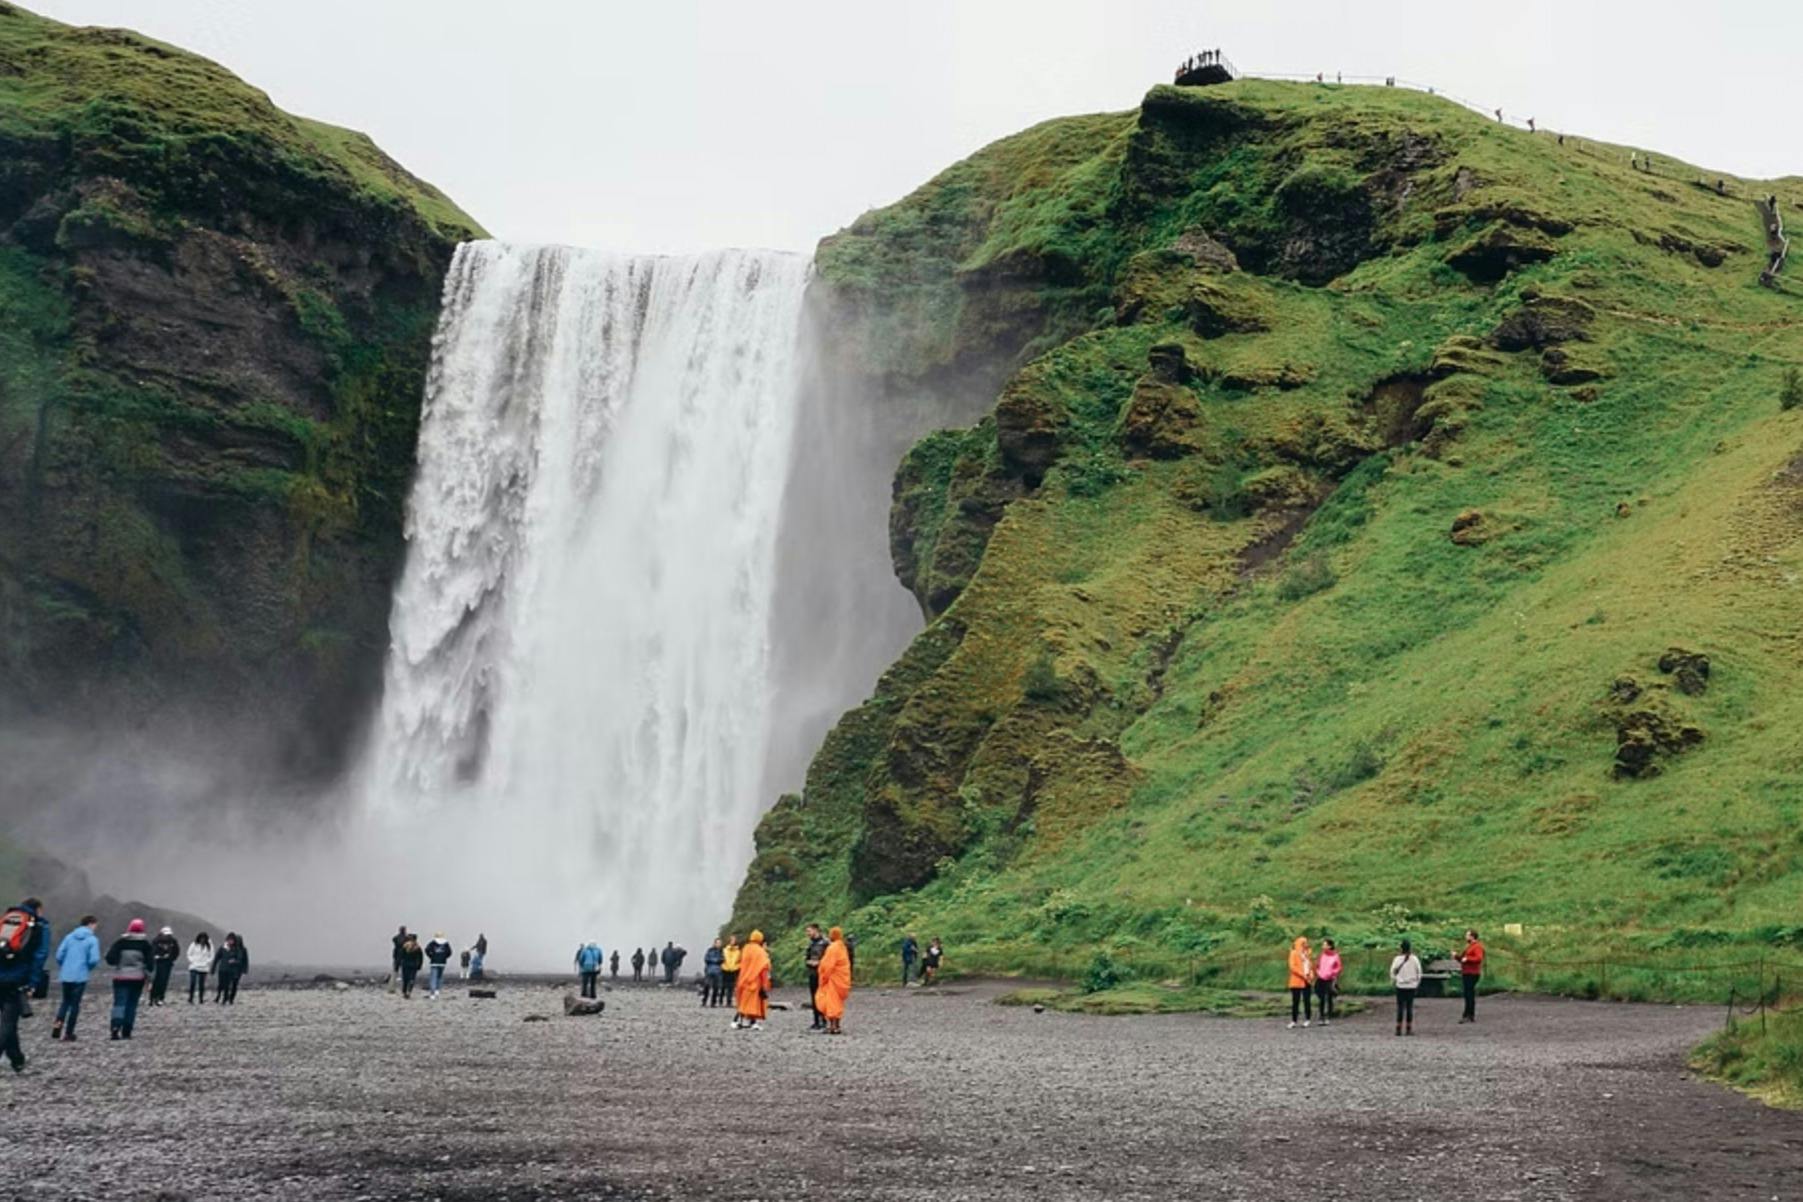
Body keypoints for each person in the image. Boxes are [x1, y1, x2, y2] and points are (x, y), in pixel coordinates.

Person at [0, 898, 49, 1071]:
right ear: (38, 909)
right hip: (17, 978)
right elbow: (39, 956)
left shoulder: (7, 919)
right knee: (8, 1022)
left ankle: (17, 1059)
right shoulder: (39, 925)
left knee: (8, 1021)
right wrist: (33, 982)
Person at [104, 918, 155, 1040]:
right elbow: (151, 965)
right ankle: (127, 1031)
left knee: (119, 1003)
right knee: (132, 1004)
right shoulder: (145, 944)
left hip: (120, 977)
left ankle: (115, 1026)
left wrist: (119, 963)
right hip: (137, 978)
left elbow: (110, 958)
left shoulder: (121, 942)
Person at [52, 915, 100, 1041]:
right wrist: (87, 967)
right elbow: (94, 959)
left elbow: (59, 955)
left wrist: (65, 966)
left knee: (65, 1002)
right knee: (75, 1005)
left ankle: (57, 1026)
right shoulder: (92, 939)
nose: (95, 928)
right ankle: (69, 1033)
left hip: (66, 974)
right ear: (90, 924)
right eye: (95, 925)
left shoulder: (69, 937)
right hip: (80, 976)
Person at [814, 926, 853, 1035]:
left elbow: (828, 965)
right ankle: (837, 1025)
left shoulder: (833, 948)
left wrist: (823, 977)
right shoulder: (842, 947)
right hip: (842, 979)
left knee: (831, 1002)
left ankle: (832, 1026)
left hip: (833, 979)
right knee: (837, 1002)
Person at [732, 930, 771, 1031]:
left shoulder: (745, 948)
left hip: (743, 978)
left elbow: (738, 962)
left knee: (744, 1002)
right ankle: (752, 1022)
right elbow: (764, 967)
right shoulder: (760, 951)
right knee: (754, 1003)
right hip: (755, 980)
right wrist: (764, 984)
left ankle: (739, 1021)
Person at [1390, 938, 1422, 1036]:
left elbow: (1392, 972)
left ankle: (1398, 1028)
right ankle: (1409, 1028)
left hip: (1400, 985)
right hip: (1411, 985)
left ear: (1401, 948)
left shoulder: (1397, 959)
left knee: (1400, 1007)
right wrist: (1416, 983)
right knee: (1409, 1007)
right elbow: (1419, 972)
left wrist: (1395, 981)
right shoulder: (1414, 959)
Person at [1456, 929, 1485, 1023]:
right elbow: (1462, 959)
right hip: (1466, 972)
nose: (1466, 937)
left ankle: (1469, 1014)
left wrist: (1467, 958)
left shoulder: (1477, 946)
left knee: (1469, 994)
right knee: (1468, 994)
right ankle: (1468, 1014)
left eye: (1467, 935)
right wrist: (1457, 956)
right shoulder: (1469, 947)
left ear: (1472, 936)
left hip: (1472, 973)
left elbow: (1479, 958)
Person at [1287, 936, 1315, 1029]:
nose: (1305, 945)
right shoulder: (1294, 953)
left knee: (1307, 1000)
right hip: (1297, 981)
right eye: (1303, 943)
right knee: (1296, 1001)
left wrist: (1311, 975)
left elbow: (1310, 966)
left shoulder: (1307, 954)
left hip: (1307, 981)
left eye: (1306, 943)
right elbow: (1292, 967)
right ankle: (1294, 1020)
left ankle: (1307, 1019)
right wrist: (1303, 974)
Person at [213, 933, 248, 1005]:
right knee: (226, 984)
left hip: (238, 970)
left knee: (234, 984)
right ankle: (223, 996)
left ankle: (230, 998)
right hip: (229, 969)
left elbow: (245, 960)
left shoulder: (242, 949)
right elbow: (218, 957)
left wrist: (244, 969)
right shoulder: (227, 948)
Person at [149, 926, 180, 1006]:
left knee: (164, 981)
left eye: (168, 935)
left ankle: (160, 998)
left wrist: (171, 958)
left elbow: (176, 951)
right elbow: (152, 951)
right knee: (156, 980)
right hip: (157, 962)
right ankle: (152, 997)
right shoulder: (156, 941)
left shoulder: (173, 941)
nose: (167, 936)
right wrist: (156, 956)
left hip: (167, 963)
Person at [804, 924, 827, 1029]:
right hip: (812, 973)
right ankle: (816, 1020)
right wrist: (809, 962)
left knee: (822, 997)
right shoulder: (810, 944)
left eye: (809, 931)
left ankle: (824, 1019)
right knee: (813, 997)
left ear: (815, 930)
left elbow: (829, 958)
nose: (808, 934)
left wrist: (820, 963)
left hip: (822, 974)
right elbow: (806, 958)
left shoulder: (825, 943)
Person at [1314, 938, 1342, 1026]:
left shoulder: (1335, 956)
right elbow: (1317, 965)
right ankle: (1321, 1016)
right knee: (1321, 997)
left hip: (1329, 978)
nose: (1323, 946)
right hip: (1321, 978)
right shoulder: (1322, 955)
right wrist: (1318, 972)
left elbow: (1338, 967)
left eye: (1325, 945)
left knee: (1329, 998)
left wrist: (1332, 974)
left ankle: (1328, 1016)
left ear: (1329, 946)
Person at [186, 931, 213, 1004]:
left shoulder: (209, 946)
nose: (202, 940)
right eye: (201, 938)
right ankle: (191, 998)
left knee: (201, 984)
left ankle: (201, 998)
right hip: (194, 966)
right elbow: (189, 954)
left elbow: (211, 955)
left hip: (203, 967)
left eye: (204, 938)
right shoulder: (193, 945)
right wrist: (192, 961)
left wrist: (206, 962)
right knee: (193, 982)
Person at [424, 933, 453, 998]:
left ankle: (432, 993)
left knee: (433, 977)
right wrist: (444, 957)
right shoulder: (446, 943)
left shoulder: (432, 943)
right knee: (440, 977)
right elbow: (449, 952)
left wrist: (431, 956)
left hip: (434, 962)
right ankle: (437, 990)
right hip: (442, 963)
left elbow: (426, 950)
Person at [398, 934, 424, 999]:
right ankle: (409, 991)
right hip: (413, 965)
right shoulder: (418, 947)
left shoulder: (405, 946)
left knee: (405, 979)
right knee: (412, 979)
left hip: (405, 964)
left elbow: (401, 956)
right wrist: (419, 965)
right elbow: (420, 958)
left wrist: (399, 963)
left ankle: (404, 991)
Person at [703, 939, 725, 1008]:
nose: (719, 944)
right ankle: (704, 1001)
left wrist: (714, 960)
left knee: (716, 987)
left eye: (720, 943)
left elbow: (722, 959)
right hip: (710, 970)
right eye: (717, 943)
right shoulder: (710, 950)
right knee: (707, 986)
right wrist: (715, 960)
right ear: (714, 943)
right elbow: (706, 959)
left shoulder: (721, 951)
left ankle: (713, 1002)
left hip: (718, 971)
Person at [722, 934, 741, 1004]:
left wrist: (738, 966)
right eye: (731, 940)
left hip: (734, 969)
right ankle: (721, 1000)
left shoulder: (738, 951)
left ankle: (728, 1001)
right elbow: (722, 959)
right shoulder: (724, 950)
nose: (733, 941)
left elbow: (740, 960)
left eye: (734, 940)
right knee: (724, 986)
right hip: (725, 969)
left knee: (731, 986)